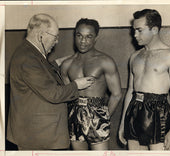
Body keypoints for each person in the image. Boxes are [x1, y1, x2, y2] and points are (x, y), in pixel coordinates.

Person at [7, 13, 95, 150]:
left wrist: (57, 63)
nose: (57, 42)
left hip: (37, 133)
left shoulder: (29, 52)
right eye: (55, 37)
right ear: (41, 36)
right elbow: (53, 93)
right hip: (37, 137)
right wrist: (77, 84)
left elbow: (40, 73)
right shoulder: (27, 58)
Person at [118, 9, 170, 150]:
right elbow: (130, 91)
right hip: (135, 108)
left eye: (139, 30)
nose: (135, 35)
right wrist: (123, 123)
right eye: (133, 30)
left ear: (154, 30)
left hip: (158, 112)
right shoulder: (134, 57)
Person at [61, 18, 122, 150]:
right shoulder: (67, 64)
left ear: (96, 38)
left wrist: (104, 117)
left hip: (98, 115)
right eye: (79, 36)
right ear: (74, 35)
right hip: (74, 115)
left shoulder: (105, 61)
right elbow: (66, 96)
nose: (83, 41)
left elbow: (116, 94)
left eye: (89, 37)